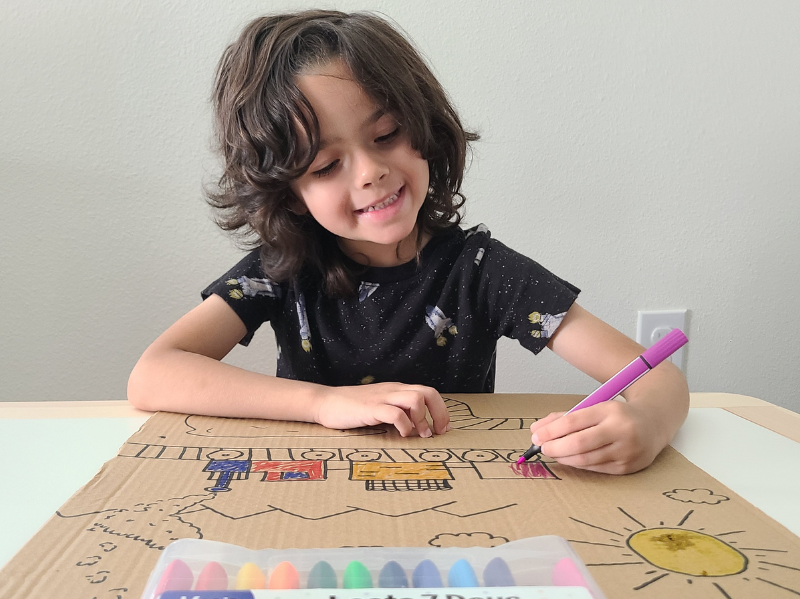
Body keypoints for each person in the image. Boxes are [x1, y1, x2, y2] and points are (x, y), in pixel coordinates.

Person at [128, 9, 688, 475]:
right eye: (325, 165)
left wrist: (647, 425)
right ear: (290, 193)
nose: (370, 172)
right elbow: (153, 373)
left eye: (387, 135)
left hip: (456, 508)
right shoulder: (285, 269)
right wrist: (323, 404)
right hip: (307, 496)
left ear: (424, 130)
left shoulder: (482, 270)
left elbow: (656, 374)